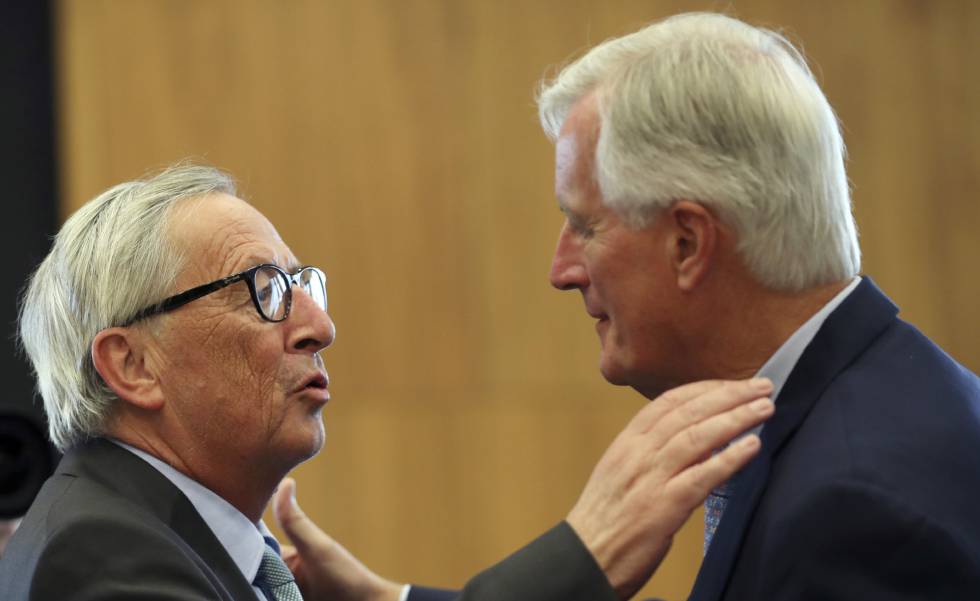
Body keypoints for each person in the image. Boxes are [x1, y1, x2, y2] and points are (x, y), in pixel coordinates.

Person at [279, 11, 980, 601]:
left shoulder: (854, 513)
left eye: (585, 226)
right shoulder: (872, 410)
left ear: (686, 242)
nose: (561, 271)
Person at [0, 163, 773, 600]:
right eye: (263, 291)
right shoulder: (99, 558)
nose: (317, 326)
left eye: (306, 285)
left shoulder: (153, 527)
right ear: (132, 364)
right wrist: (585, 556)